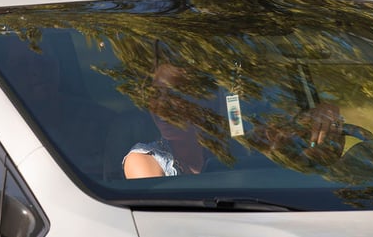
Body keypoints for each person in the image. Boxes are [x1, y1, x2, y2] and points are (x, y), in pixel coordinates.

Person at [123, 62, 346, 179]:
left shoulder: (239, 142)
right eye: (155, 95)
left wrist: (325, 114)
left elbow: (289, 138)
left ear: (202, 103)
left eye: (176, 95)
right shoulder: (144, 160)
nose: (161, 106)